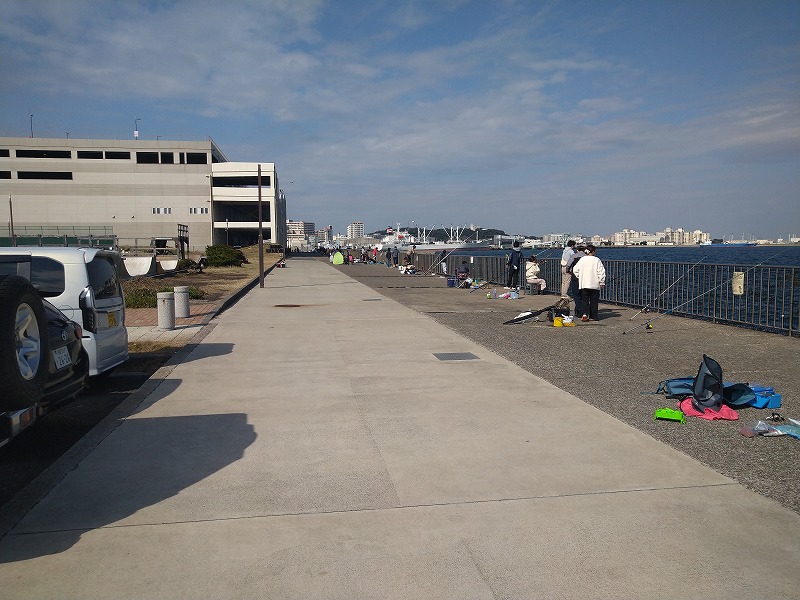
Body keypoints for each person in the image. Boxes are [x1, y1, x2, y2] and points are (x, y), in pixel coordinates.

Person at [571, 244, 605, 322]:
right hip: (594, 284)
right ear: (593, 252)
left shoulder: (582, 259)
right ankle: (594, 316)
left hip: (584, 283)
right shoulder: (597, 260)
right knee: (594, 301)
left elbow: (575, 270)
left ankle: (585, 314)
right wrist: (602, 282)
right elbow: (601, 272)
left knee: (585, 300)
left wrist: (580, 277)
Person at [565, 245, 586, 316]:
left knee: (576, 294)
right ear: (584, 250)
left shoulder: (574, 256)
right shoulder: (586, 257)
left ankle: (579, 311)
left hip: (575, 277)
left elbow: (568, 265)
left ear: (577, 250)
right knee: (584, 295)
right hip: (585, 277)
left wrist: (568, 271)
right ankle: (583, 310)